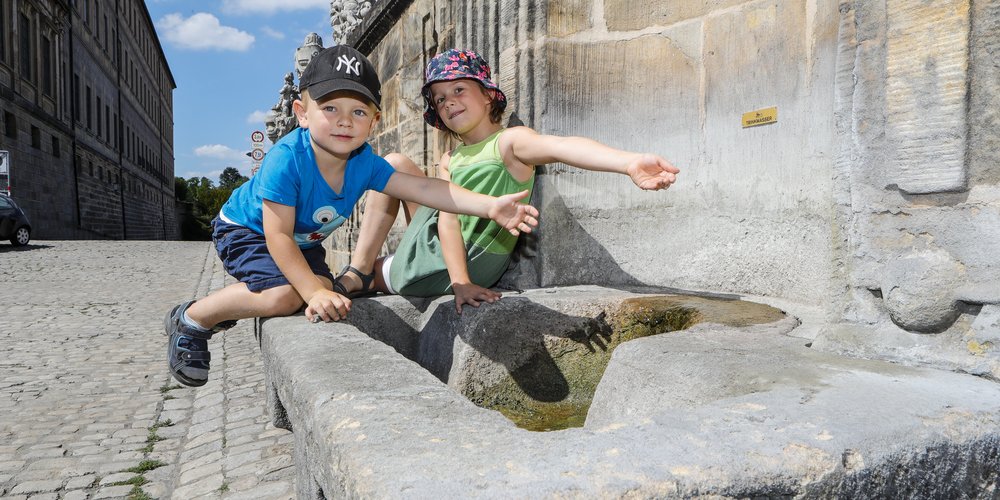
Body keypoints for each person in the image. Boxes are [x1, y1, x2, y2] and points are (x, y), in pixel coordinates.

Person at [165, 45, 539, 388]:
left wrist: (487, 205)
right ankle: (193, 319)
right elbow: (276, 235)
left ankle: (250, 300)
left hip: (299, 240)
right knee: (285, 297)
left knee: (324, 294)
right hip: (249, 231)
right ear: (302, 114)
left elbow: (426, 190)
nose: (345, 121)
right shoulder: (286, 159)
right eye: (330, 108)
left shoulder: (364, 163)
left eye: (358, 111)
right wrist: (309, 291)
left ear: (374, 121)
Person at [334, 48, 679, 313]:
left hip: (465, 260)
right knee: (396, 165)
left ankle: (361, 272)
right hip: (446, 251)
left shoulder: (510, 142)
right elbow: (448, 221)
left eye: (459, 89)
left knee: (377, 270)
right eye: (440, 99)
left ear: (487, 95)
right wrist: (460, 282)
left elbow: (562, 146)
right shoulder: (450, 158)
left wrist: (629, 162)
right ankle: (360, 270)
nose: (449, 101)